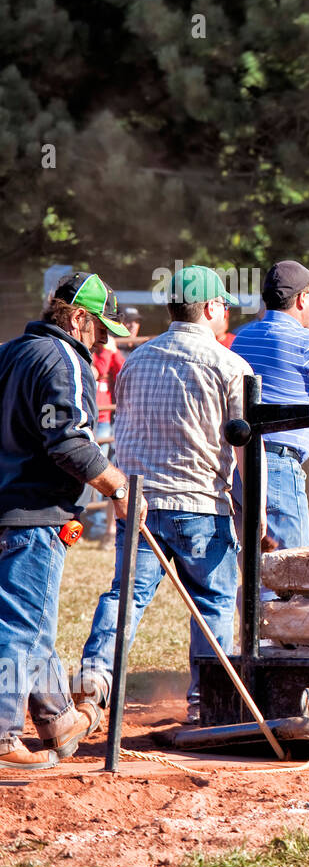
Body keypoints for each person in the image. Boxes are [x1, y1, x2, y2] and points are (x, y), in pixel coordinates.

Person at [75, 265, 262, 725]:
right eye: (224, 307)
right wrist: (254, 511)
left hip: (137, 503)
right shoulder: (231, 366)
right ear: (213, 308)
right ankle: (207, 701)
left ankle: (93, 684)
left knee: (126, 596)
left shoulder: (137, 360)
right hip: (201, 505)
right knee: (214, 602)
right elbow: (243, 448)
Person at [0, 272, 140, 769]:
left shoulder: (10, 352)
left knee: (32, 620)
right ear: (78, 317)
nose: (103, 338)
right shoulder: (65, 359)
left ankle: (57, 717)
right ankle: (2, 735)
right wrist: (119, 488)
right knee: (19, 624)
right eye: (100, 327)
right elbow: (68, 441)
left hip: (8, 508)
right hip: (35, 513)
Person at [231, 260, 309, 561]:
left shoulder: (244, 336)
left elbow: (283, 361)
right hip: (277, 464)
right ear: (301, 299)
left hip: (236, 462)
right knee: (290, 567)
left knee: (251, 569)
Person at [85, 332, 125, 541]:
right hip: (94, 418)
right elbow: (98, 371)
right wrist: (108, 352)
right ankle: (89, 522)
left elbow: (121, 372)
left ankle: (99, 524)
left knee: (103, 469)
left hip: (105, 419)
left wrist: (115, 351)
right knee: (90, 470)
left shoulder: (109, 353)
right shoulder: (90, 353)